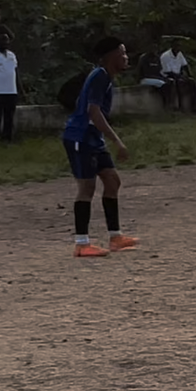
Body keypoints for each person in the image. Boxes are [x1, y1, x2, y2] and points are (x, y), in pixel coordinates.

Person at [63, 36, 137, 258]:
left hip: (93, 138)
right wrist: (117, 141)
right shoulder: (100, 77)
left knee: (113, 181)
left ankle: (115, 237)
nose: (125, 57)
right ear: (110, 56)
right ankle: (81, 243)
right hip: (81, 137)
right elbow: (93, 113)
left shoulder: (105, 77)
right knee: (86, 188)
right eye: (122, 53)